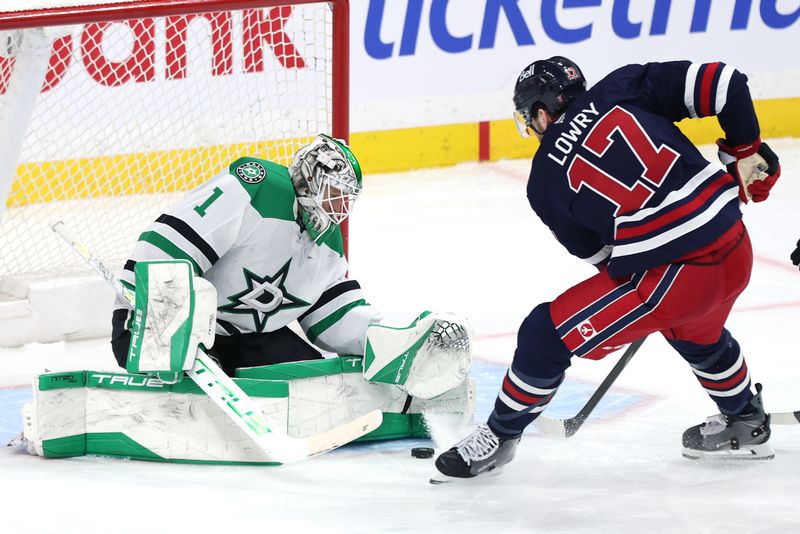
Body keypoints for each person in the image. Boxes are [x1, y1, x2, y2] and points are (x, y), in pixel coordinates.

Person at [434, 57, 782, 481]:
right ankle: (744, 416)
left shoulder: (543, 179)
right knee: (695, 332)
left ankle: (499, 436)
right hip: (735, 245)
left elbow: (604, 260)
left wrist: (642, 298)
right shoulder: (623, 86)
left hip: (678, 279)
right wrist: (744, 150)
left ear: (541, 113)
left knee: (545, 333)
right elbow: (726, 81)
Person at [111, 134, 471, 398]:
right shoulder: (257, 188)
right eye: (333, 191)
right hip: (152, 326)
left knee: (323, 388)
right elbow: (166, 245)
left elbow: (334, 318)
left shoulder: (328, 244)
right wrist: (163, 330)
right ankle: (168, 371)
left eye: (346, 197)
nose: (339, 204)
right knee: (190, 359)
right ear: (308, 177)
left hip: (245, 340)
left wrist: (393, 339)